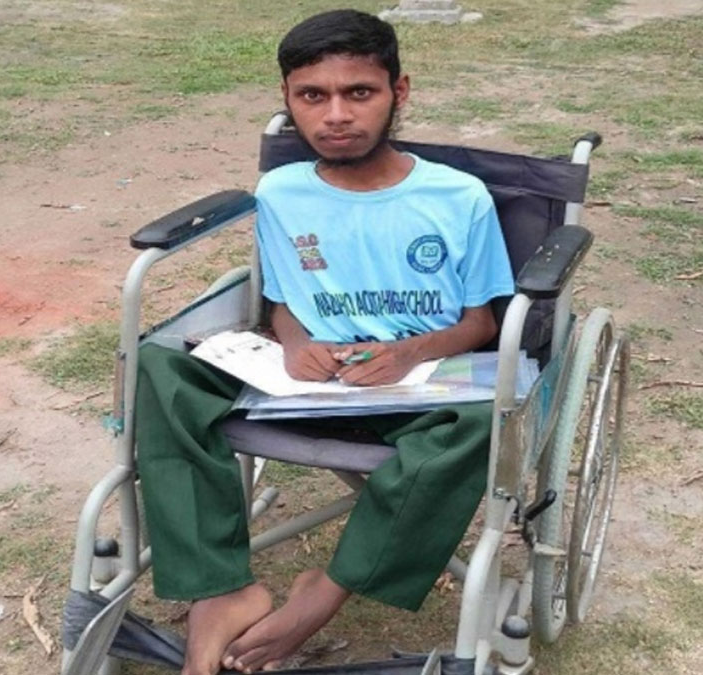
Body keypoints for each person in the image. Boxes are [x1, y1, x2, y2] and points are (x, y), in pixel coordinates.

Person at [132, 9, 514, 675]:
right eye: (313, 96)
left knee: (486, 418)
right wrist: (292, 342)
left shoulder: (460, 197)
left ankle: (329, 588)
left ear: (399, 91)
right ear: (288, 98)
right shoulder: (281, 193)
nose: (336, 115)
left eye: (358, 92)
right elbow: (282, 301)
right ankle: (219, 588)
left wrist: (409, 351)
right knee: (162, 366)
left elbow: (481, 322)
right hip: (308, 379)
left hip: (418, 382)